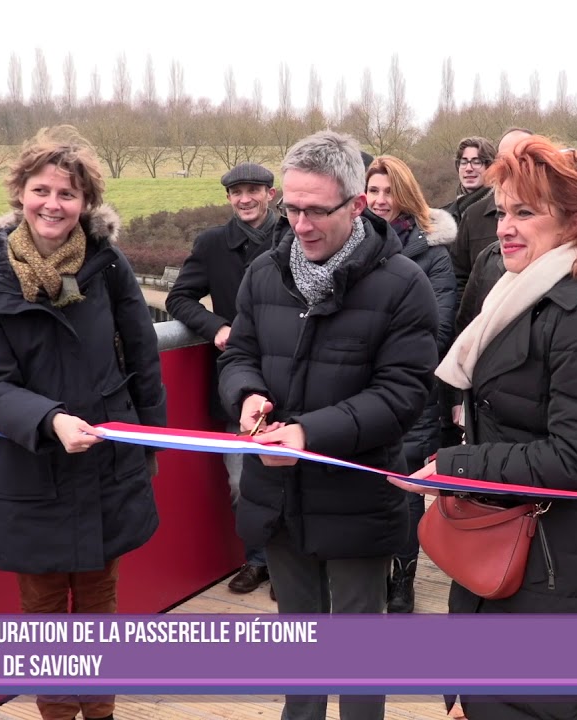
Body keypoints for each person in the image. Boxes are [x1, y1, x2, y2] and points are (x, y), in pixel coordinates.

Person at [398, 136, 577, 720]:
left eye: (525, 213)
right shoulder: (526, 293)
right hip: (515, 547)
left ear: (576, 220)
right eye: (501, 212)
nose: (505, 229)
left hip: (561, 567)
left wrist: (457, 466)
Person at [0, 125, 165, 720]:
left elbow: (142, 359)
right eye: (41, 190)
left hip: (107, 463)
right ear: (20, 194)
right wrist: (50, 420)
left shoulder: (108, 264)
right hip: (30, 467)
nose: (52, 204)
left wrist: (149, 446)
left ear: (85, 202)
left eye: (67, 193)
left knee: (100, 606)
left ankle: (101, 712)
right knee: (44, 616)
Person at [217, 130, 438, 720]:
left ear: (357, 205)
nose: (301, 224)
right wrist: (246, 395)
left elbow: (402, 395)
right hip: (277, 493)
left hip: (356, 494)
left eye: (316, 210)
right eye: (291, 208)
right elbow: (238, 355)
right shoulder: (264, 273)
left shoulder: (404, 285)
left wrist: (308, 435)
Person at [166, 162, 286, 597]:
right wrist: (216, 327)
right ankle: (258, 560)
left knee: (293, 476)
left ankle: (289, 566)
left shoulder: (295, 235)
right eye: (237, 192)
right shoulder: (213, 243)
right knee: (242, 482)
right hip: (238, 379)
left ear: (271, 193)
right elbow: (180, 297)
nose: (245, 199)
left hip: (291, 374)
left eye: (254, 190)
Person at [365, 155, 458, 614]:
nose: (381, 200)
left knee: (405, 488)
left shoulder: (433, 256)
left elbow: (436, 331)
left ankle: (403, 577)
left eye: (390, 191)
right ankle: (370, 571)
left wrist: (372, 348)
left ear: (406, 196)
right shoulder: (350, 246)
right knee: (363, 483)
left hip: (411, 393)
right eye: (373, 190)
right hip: (357, 390)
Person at [449, 127, 535, 298]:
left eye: (477, 162)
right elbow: (459, 279)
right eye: (505, 159)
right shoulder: (473, 215)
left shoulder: (562, 210)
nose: (503, 230)